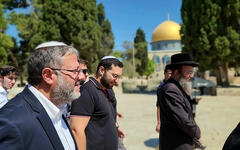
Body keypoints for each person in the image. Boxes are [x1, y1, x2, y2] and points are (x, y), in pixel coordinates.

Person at [0, 41, 84, 150]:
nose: (81, 77)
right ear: (48, 76)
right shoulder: (11, 122)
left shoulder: (58, 109)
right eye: (74, 71)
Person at [70, 56, 124, 150]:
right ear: (102, 70)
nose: (117, 81)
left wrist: (115, 127)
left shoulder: (108, 90)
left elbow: (106, 115)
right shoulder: (87, 91)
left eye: (119, 77)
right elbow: (76, 130)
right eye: (114, 76)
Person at [158, 53, 201, 150]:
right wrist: (196, 132)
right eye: (189, 72)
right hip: (176, 144)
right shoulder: (170, 89)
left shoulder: (178, 87)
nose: (192, 75)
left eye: (192, 72)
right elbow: (183, 120)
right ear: (177, 72)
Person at [156, 64, 172, 133]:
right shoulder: (161, 88)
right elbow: (159, 106)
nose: (171, 75)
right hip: (166, 121)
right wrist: (159, 123)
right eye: (169, 73)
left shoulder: (175, 85)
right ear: (164, 73)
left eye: (172, 73)